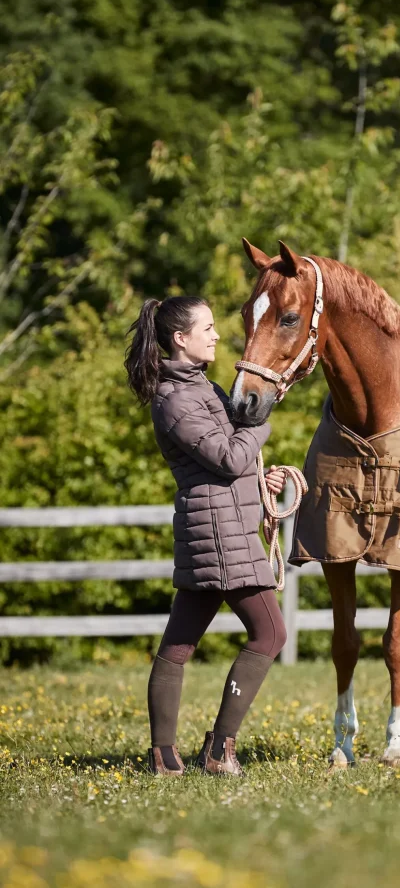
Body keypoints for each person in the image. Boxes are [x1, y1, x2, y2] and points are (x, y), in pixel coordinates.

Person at [124, 295, 287, 777]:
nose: (217, 335)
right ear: (181, 338)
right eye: (209, 327)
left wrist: (263, 476)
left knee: (178, 645)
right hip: (219, 533)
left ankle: (165, 757)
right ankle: (218, 749)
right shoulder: (174, 400)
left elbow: (234, 462)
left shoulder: (205, 388)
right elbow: (229, 455)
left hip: (222, 526)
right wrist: (262, 428)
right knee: (271, 633)